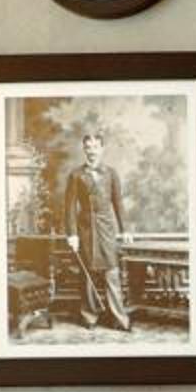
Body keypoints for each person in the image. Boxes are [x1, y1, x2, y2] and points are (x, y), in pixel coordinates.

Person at [61, 127, 133, 332]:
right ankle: (89, 316)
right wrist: (72, 234)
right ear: (84, 149)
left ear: (102, 149)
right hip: (85, 229)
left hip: (107, 228)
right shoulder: (75, 175)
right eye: (88, 147)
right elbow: (69, 207)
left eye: (95, 147)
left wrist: (125, 229)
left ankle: (119, 318)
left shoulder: (111, 173)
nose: (92, 151)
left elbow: (118, 203)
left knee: (112, 272)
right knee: (88, 275)